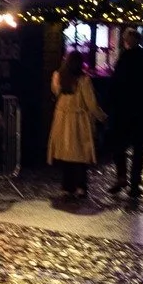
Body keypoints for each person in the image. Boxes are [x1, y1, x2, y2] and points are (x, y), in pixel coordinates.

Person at [104, 35, 143, 206]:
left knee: (119, 145)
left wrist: (110, 103)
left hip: (124, 110)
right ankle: (135, 183)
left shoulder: (125, 58)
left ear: (128, 42)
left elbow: (115, 84)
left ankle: (122, 176)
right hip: (142, 110)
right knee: (138, 149)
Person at [47, 50, 104, 200]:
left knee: (66, 155)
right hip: (78, 121)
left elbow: (55, 92)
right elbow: (91, 103)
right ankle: (81, 187)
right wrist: (102, 117)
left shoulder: (58, 77)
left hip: (62, 120)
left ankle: (67, 187)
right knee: (80, 156)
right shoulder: (84, 80)